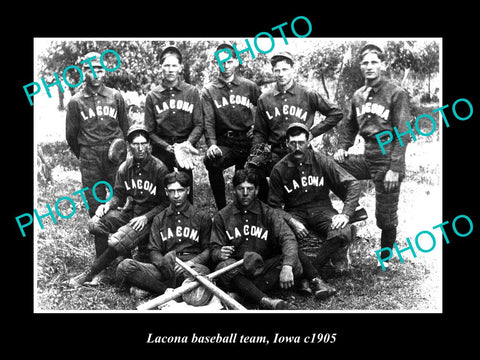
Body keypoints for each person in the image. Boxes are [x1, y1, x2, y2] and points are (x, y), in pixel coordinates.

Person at [333, 44, 412, 269]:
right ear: (360, 67)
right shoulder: (358, 95)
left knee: (385, 217)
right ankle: (353, 209)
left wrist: (395, 168)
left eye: (374, 62)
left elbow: (404, 134)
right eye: (365, 63)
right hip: (367, 155)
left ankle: (385, 260)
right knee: (330, 165)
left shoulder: (395, 93)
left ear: (383, 65)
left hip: (388, 157)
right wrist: (343, 146)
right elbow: (348, 126)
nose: (369, 67)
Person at [69, 124, 169, 287]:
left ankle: (90, 272)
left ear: (149, 145)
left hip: (150, 217)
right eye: (136, 144)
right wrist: (108, 205)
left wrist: (146, 217)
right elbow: (119, 196)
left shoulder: (159, 168)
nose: (140, 148)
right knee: (96, 223)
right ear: (129, 145)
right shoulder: (125, 168)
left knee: (122, 239)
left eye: (143, 143)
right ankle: (107, 266)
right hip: (131, 212)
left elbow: (166, 203)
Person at [268, 123, 361, 280]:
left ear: (308, 142)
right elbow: (273, 207)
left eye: (301, 143)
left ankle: (311, 273)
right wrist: (292, 222)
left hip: (322, 209)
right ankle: (313, 275)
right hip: (295, 212)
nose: (297, 148)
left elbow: (353, 183)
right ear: (286, 144)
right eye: (293, 143)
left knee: (342, 232)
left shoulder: (321, 160)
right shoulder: (279, 169)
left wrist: (345, 214)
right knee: (278, 237)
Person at [251, 51, 344, 201]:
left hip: (301, 150)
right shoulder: (265, 98)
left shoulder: (307, 93)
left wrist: (312, 133)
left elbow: (336, 113)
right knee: (254, 172)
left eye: (285, 69)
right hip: (276, 152)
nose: (281, 74)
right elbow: (259, 132)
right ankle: (266, 211)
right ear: (273, 71)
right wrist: (255, 153)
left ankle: (350, 207)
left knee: (321, 176)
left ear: (293, 70)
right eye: (277, 70)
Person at [210, 168, 305, 310]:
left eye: (250, 188)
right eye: (241, 189)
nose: (245, 193)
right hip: (237, 269)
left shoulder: (268, 212)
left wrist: (287, 266)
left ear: (257, 190)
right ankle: (265, 300)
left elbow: (287, 237)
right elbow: (213, 248)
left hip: (262, 266)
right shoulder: (223, 216)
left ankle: (244, 294)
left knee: (294, 262)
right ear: (234, 190)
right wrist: (219, 252)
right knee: (223, 268)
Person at [116, 171, 212, 297]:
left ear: (188, 190)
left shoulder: (202, 217)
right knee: (125, 266)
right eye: (172, 191)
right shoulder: (159, 218)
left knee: (202, 273)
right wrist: (164, 264)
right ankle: (166, 291)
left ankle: (153, 288)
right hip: (165, 266)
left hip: (191, 267)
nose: (176, 195)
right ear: (166, 192)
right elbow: (154, 250)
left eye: (180, 190)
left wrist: (190, 264)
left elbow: (208, 250)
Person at [65, 51, 129, 218]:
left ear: (105, 72)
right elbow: (71, 136)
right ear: (83, 72)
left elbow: (125, 127)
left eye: (100, 70)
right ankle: (101, 243)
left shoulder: (115, 96)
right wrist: (86, 153)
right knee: (95, 203)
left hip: (114, 155)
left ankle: (120, 240)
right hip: (89, 157)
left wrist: (119, 151)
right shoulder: (76, 101)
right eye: (91, 70)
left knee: (120, 197)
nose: (96, 74)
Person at [203, 43, 262, 210]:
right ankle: (222, 210)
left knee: (254, 172)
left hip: (248, 141)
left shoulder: (248, 86)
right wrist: (212, 144)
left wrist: (257, 129)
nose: (226, 66)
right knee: (212, 162)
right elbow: (208, 120)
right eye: (222, 62)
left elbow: (264, 107)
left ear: (236, 62)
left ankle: (252, 209)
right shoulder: (210, 90)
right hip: (225, 142)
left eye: (229, 61)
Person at [144, 45, 203, 203]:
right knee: (163, 189)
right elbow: (149, 131)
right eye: (166, 65)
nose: (170, 69)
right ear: (161, 67)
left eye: (174, 65)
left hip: (184, 145)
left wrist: (187, 144)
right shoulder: (152, 95)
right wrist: (167, 147)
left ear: (180, 67)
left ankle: (189, 218)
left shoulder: (191, 92)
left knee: (185, 186)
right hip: (162, 147)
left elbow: (199, 124)